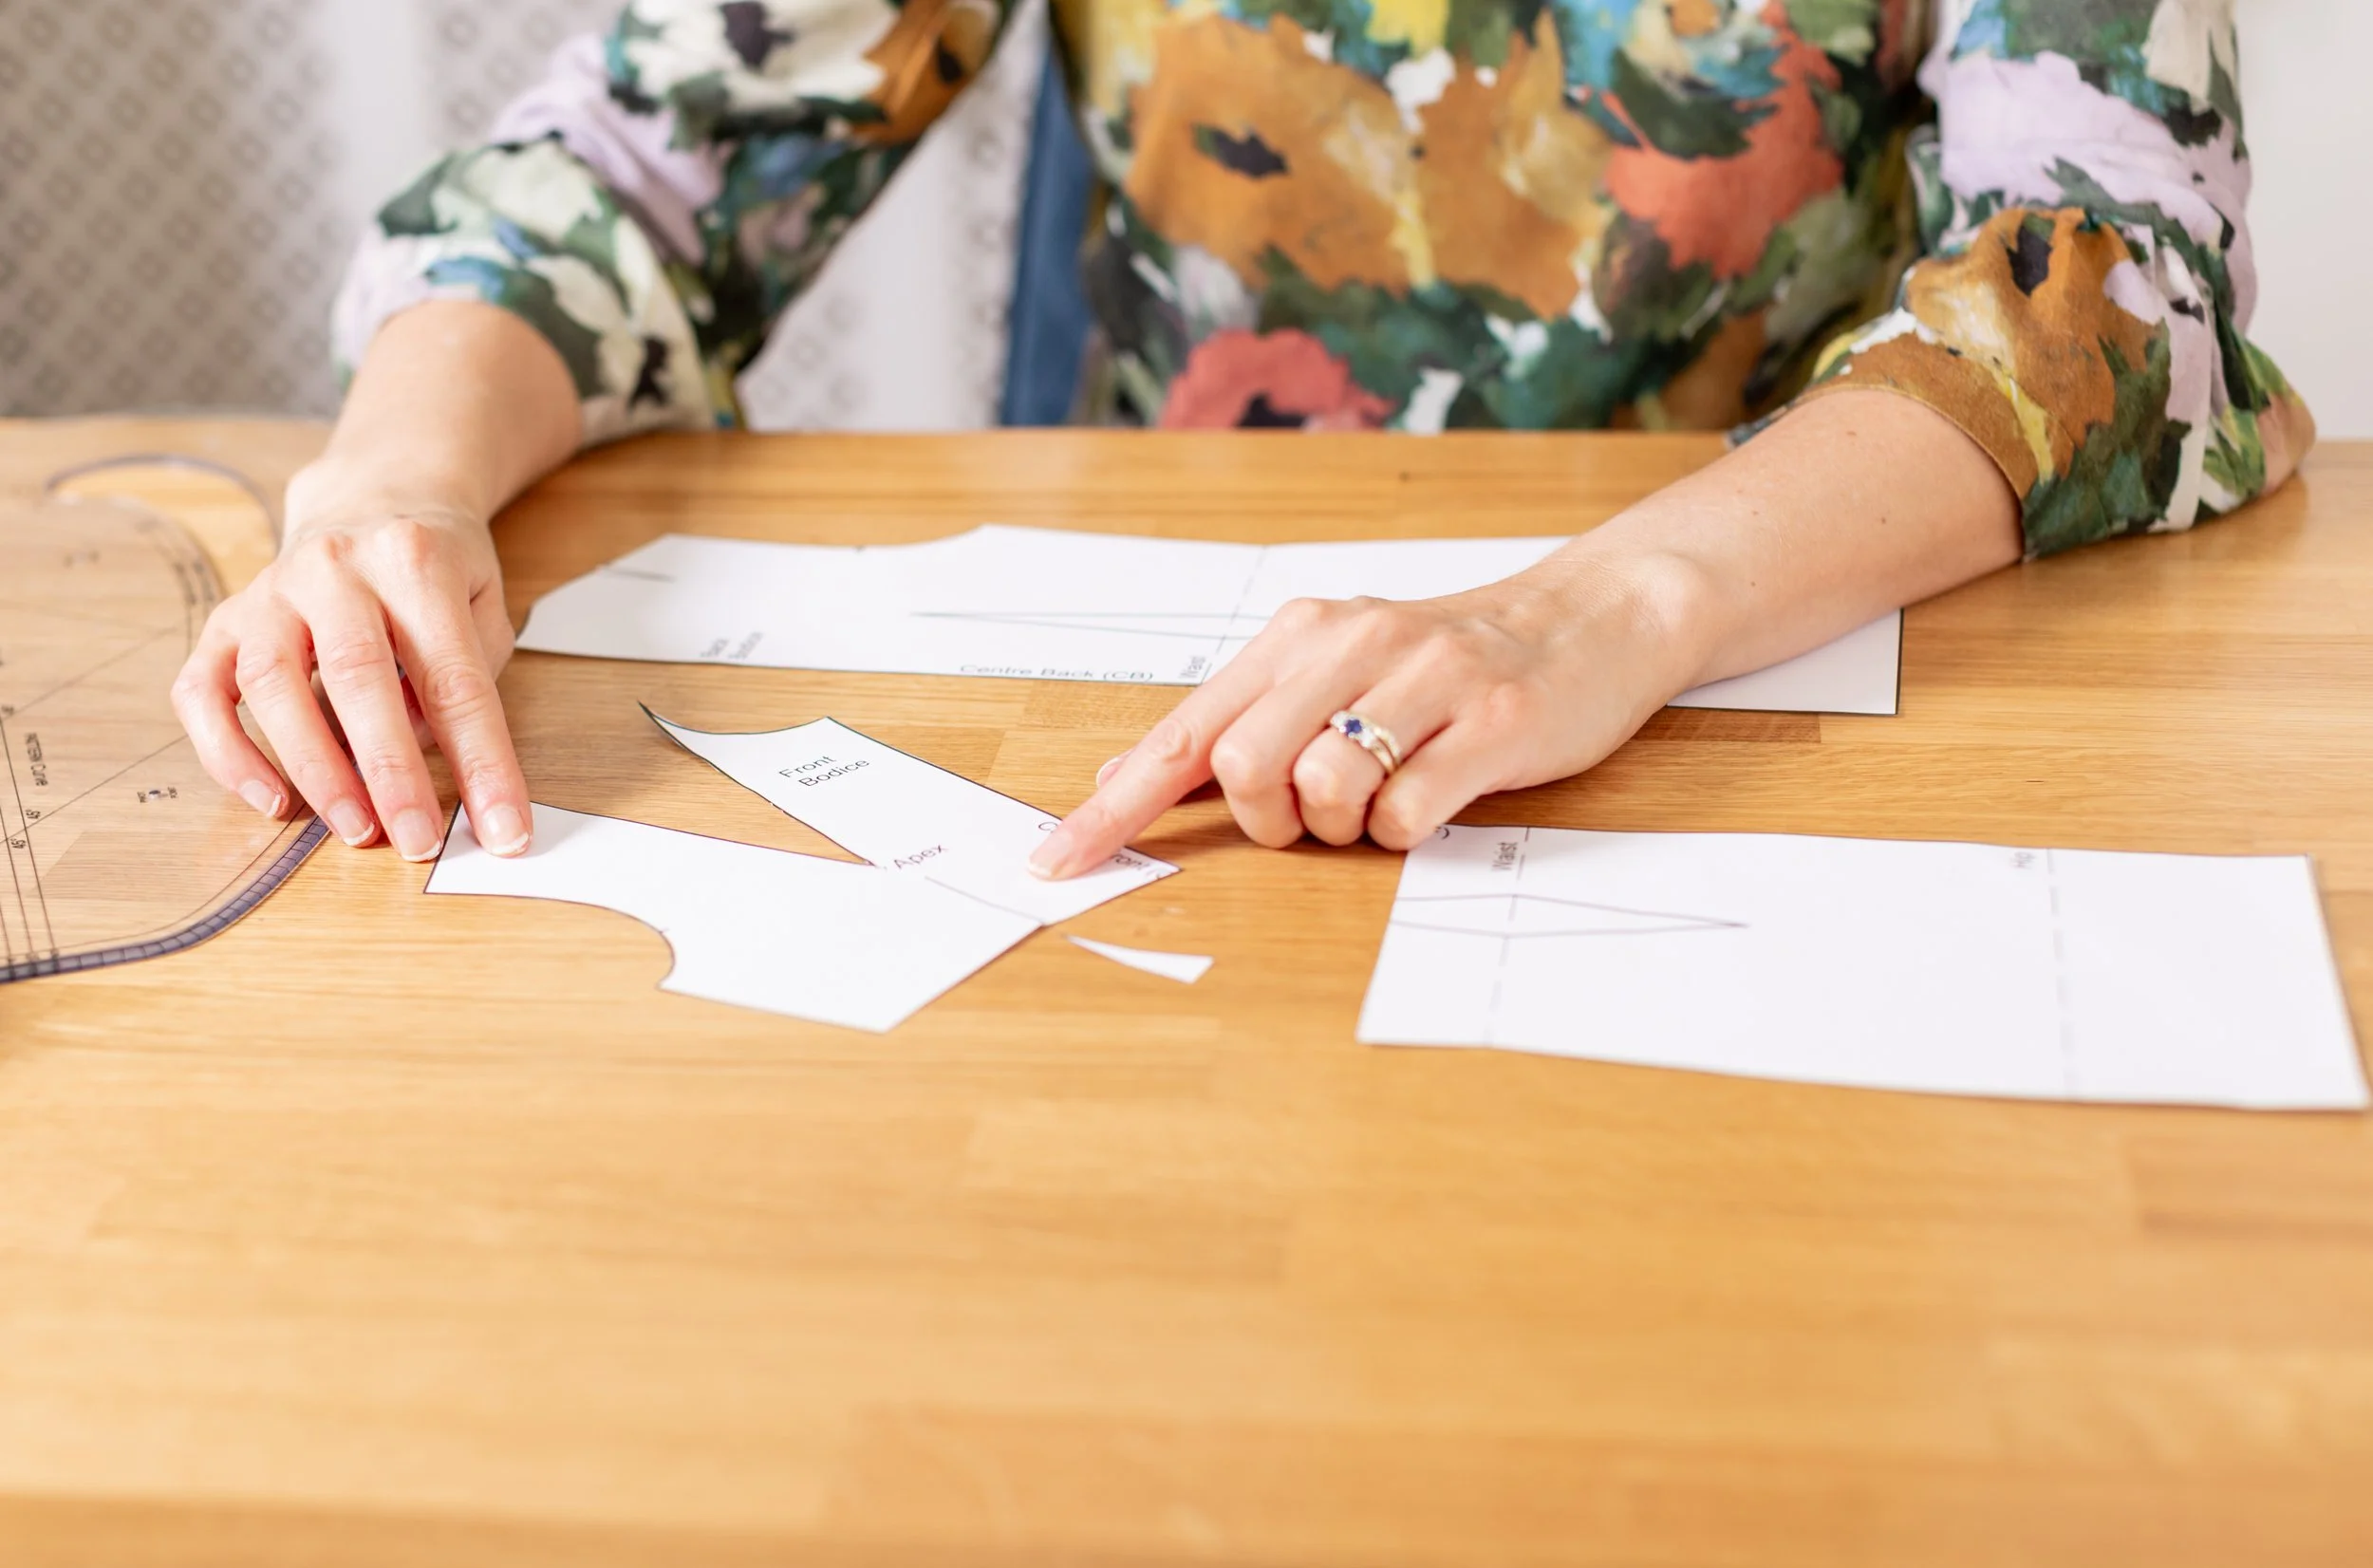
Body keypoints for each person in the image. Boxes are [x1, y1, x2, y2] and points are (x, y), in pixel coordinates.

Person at [171, 0, 2310, 879]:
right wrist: (386, 487)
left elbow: (2125, 283)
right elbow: (635, 171)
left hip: (1808, 686)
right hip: (1184, 760)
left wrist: (1595, 605)